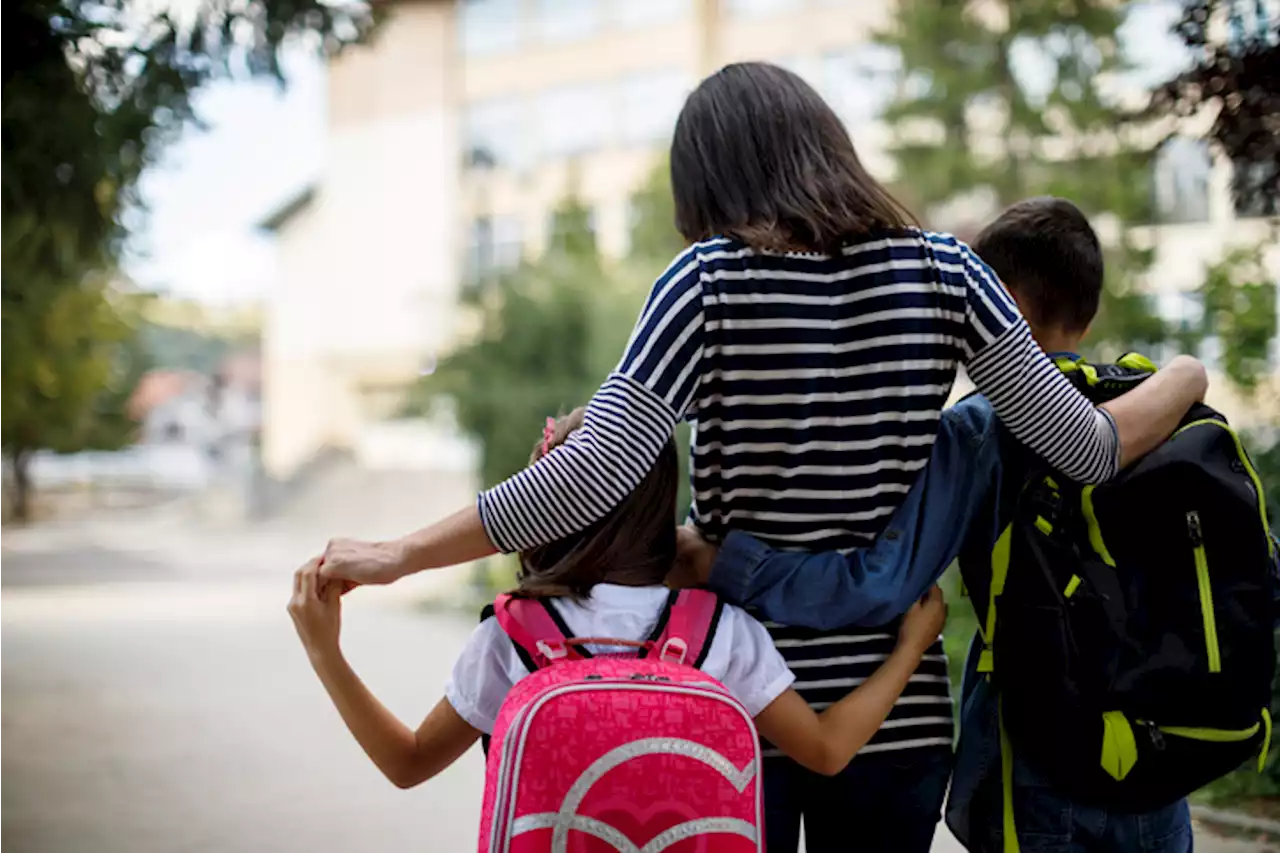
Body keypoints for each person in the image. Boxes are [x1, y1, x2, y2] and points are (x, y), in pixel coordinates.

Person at [317, 64, 1205, 852]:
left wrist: (398, 554)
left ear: (710, 178)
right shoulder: (946, 271)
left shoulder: (705, 281)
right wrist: (1185, 374)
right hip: (897, 707)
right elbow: (1088, 450)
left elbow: (591, 472)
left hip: (733, 698)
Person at [674, 197, 1202, 852]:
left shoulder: (979, 430)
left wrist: (721, 562)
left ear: (994, 304)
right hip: (1162, 762)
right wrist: (1188, 372)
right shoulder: (1155, 408)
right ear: (1086, 315)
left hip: (1041, 755)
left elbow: (878, 582)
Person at [287, 408, 948, 802]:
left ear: (542, 506)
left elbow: (406, 763)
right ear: (663, 505)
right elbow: (828, 750)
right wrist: (910, 649)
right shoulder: (720, 632)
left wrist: (325, 651)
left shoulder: (512, 637)